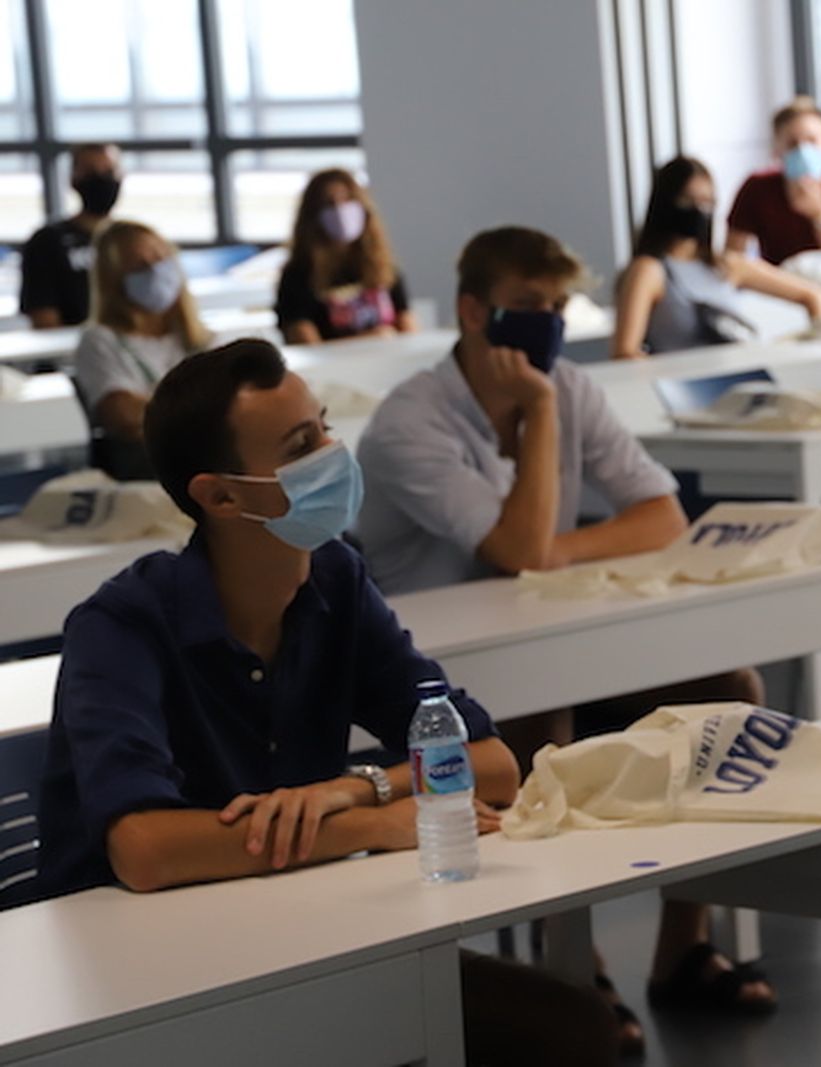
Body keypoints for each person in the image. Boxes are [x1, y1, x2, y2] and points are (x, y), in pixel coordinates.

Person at [33, 338, 619, 1066]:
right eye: (300, 446)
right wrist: (370, 826)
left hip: (301, 932)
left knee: (570, 1031)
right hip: (143, 986)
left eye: (324, 428)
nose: (333, 455)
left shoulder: (335, 578)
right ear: (220, 496)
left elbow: (490, 762)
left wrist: (352, 789)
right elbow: (146, 850)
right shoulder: (122, 626)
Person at [357, 226, 778, 1056]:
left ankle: (681, 947)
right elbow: (516, 548)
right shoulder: (411, 422)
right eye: (527, 305)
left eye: (557, 306)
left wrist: (560, 550)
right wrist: (542, 415)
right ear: (473, 313)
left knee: (727, 693)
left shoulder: (570, 383)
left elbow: (661, 515)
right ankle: (575, 968)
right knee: (540, 712)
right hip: (433, 684)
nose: (547, 323)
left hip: (542, 644)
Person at [612, 155, 821, 359]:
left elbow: (812, 296)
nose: (699, 210)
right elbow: (625, 352)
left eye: (707, 202)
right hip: (685, 379)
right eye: (687, 200)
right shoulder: (649, 270)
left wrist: (819, 350)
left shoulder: (727, 265)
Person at [72, 220, 212, 479]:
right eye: (140, 266)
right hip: (152, 467)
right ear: (114, 280)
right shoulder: (100, 341)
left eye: (161, 259)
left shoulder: (197, 336)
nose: (156, 272)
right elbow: (124, 416)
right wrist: (208, 411)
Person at [725, 96, 821, 265]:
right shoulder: (756, 187)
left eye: (812, 140)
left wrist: (820, 216)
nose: (803, 150)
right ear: (776, 148)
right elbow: (733, 257)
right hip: (780, 280)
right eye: (792, 143)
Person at [276, 168, 416, 344]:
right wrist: (370, 339)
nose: (340, 210)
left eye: (347, 200)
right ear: (312, 215)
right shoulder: (297, 276)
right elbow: (306, 342)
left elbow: (408, 330)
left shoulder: (384, 268)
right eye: (329, 203)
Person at [20, 143, 122, 329]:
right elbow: (43, 318)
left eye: (108, 171)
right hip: (71, 344)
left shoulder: (131, 240)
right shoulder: (48, 241)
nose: (101, 179)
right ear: (73, 179)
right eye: (91, 172)